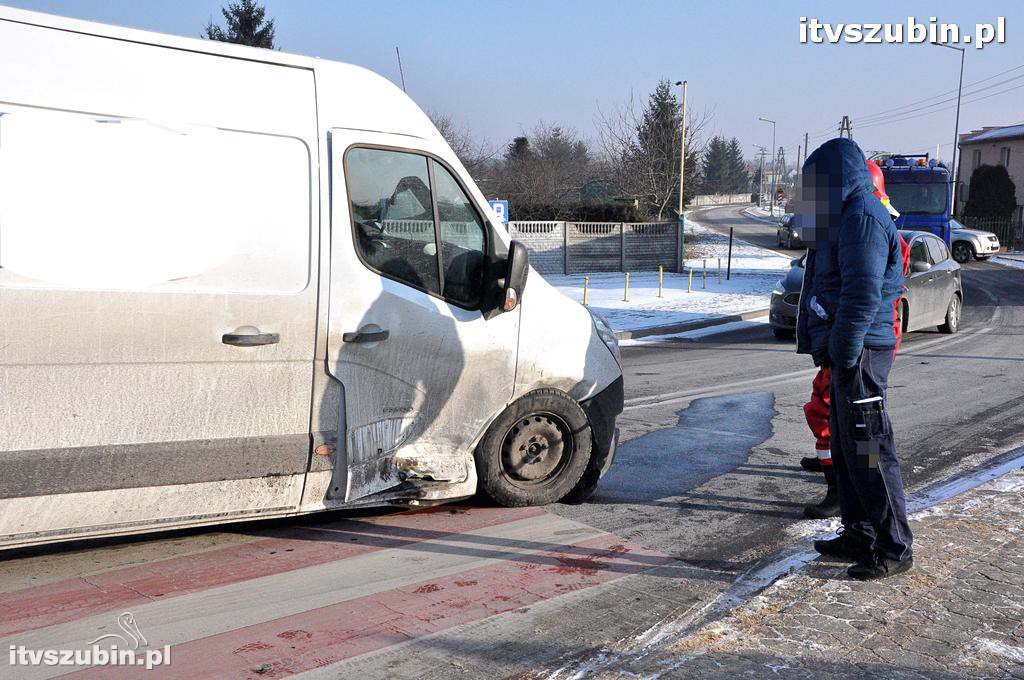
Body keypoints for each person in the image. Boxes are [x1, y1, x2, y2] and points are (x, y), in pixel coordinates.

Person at [795, 138, 913, 580]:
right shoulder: (846, 213)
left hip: (861, 353)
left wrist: (842, 352)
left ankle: (893, 546)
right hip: (851, 353)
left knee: (870, 453)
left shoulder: (863, 217)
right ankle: (858, 534)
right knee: (848, 451)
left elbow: (861, 295)